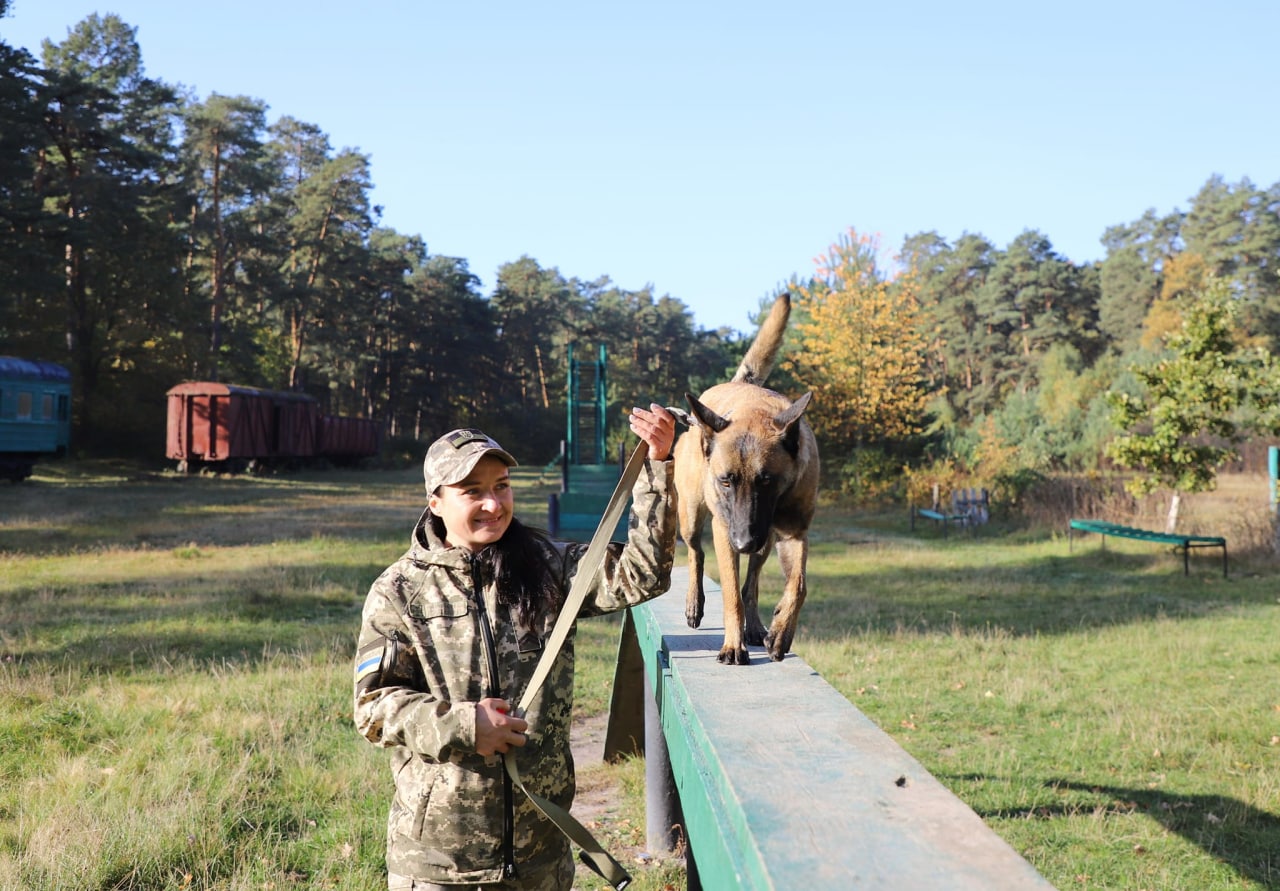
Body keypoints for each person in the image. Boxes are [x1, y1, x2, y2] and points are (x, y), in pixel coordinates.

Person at [353, 405, 678, 891]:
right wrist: (466, 726)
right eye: (472, 491)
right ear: (435, 502)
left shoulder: (548, 566)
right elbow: (373, 708)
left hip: (540, 854)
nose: (493, 503)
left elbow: (642, 575)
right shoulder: (400, 591)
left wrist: (657, 467)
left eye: (501, 486)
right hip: (440, 862)